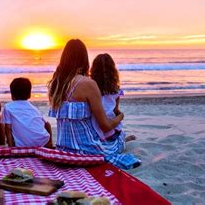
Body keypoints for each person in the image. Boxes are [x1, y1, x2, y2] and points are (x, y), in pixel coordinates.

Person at [48, 39, 140, 169]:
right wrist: (120, 117)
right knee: (119, 137)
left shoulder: (56, 84)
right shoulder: (88, 84)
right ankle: (123, 140)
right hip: (88, 151)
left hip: (64, 150)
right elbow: (105, 126)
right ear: (84, 59)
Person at [2, 77, 53, 148]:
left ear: (12, 95)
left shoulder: (8, 107)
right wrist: (50, 141)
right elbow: (47, 125)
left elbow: (8, 128)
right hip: (42, 141)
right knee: (46, 124)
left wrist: (11, 147)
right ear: (29, 95)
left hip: (23, 145)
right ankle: (50, 143)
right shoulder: (34, 108)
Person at [90, 53, 125, 141]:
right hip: (110, 132)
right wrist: (121, 115)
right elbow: (115, 111)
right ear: (112, 71)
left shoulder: (90, 89)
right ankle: (123, 139)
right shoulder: (116, 90)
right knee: (119, 128)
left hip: (93, 132)